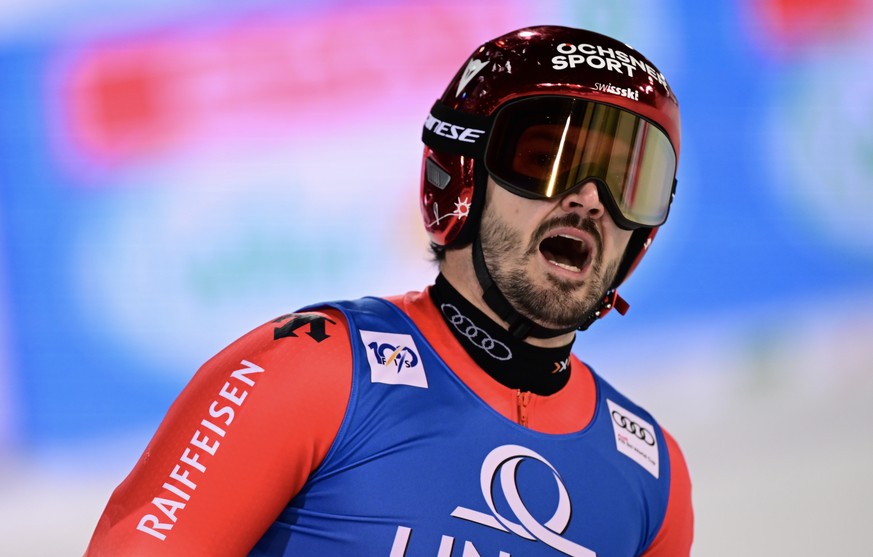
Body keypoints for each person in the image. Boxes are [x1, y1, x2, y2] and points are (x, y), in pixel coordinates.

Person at [84, 25, 693, 556]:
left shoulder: (652, 483)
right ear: (463, 175)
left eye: (627, 181)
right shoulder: (309, 374)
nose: (590, 200)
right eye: (547, 160)